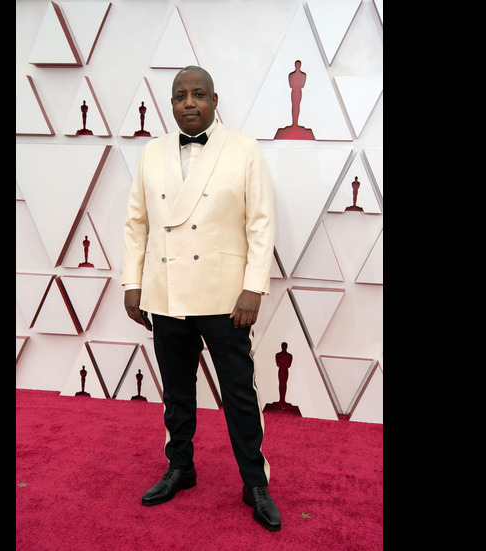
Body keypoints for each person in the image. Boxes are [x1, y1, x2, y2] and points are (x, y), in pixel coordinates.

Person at [121, 66, 281, 531]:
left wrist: (253, 286)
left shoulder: (244, 148)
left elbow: (260, 222)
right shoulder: (152, 152)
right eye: (179, 96)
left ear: (215, 99)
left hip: (225, 294)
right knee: (176, 390)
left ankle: (255, 483)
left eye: (198, 94)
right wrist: (133, 283)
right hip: (166, 290)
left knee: (239, 394)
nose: (188, 103)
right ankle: (180, 467)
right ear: (171, 103)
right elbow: (136, 223)